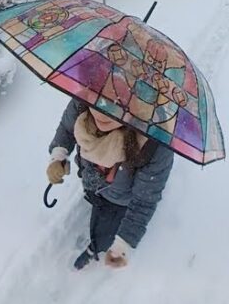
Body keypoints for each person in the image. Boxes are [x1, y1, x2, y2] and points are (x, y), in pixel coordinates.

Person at [46, 98, 175, 270]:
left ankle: (95, 248)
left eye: (119, 104)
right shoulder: (85, 98)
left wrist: (124, 243)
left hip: (119, 200)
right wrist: (58, 155)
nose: (101, 111)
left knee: (105, 230)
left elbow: (144, 200)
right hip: (92, 182)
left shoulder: (156, 141)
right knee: (96, 209)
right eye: (101, 99)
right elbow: (68, 129)